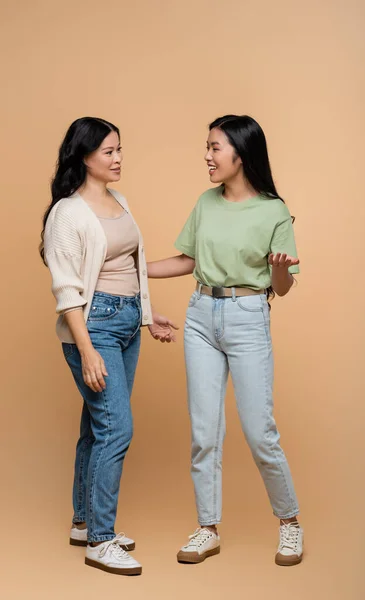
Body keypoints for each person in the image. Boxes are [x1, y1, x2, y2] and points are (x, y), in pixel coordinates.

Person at [147, 114, 303, 566]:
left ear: (241, 152)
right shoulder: (206, 202)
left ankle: (289, 522)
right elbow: (186, 260)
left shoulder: (273, 210)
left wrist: (277, 267)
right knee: (204, 432)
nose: (207, 156)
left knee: (260, 432)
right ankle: (207, 528)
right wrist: (130, 269)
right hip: (200, 316)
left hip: (248, 316)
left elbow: (284, 285)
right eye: (208, 147)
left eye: (215, 147)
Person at [39, 117, 178, 576]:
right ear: (84, 156)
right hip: (91, 325)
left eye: (120, 150)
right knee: (117, 428)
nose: (118, 159)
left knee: (97, 426)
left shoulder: (119, 200)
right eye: (108, 152)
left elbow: (129, 267)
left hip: (126, 322)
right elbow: (67, 291)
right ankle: (100, 540)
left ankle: (83, 522)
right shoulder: (67, 213)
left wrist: (145, 313)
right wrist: (88, 349)